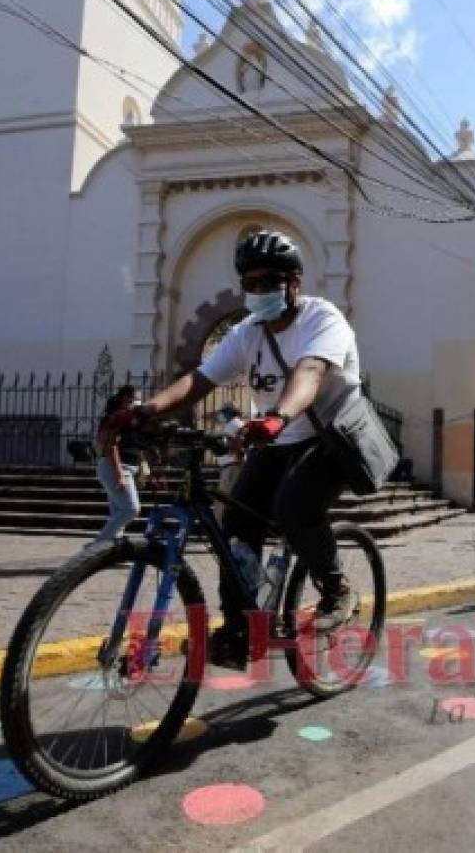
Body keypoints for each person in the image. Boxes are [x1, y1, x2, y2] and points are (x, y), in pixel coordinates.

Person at [105, 229, 362, 670]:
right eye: (251, 282)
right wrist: (147, 410)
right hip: (276, 440)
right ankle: (241, 629)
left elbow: (310, 373)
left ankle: (338, 588)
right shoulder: (246, 334)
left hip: (327, 439)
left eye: (270, 281)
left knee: (294, 509)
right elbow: (199, 381)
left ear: (294, 283)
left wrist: (277, 417)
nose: (259, 290)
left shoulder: (322, 319)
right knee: (237, 527)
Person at [88, 385, 144, 550]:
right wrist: (120, 474)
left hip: (126, 467)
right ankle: (96, 547)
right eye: (134, 399)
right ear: (124, 399)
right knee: (130, 509)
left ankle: (112, 552)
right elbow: (110, 447)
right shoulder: (116, 418)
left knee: (118, 514)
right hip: (116, 467)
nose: (138, 403)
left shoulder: (130, 420)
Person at [212, 403, 247, 523]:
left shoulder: (234, 424)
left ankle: (219, 527)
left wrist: (238, 458)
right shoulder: (234, 424)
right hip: (231, 466)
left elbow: (239, 443)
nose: (220, 416)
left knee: (223, 498)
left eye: (222, 413)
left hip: (232, 466)